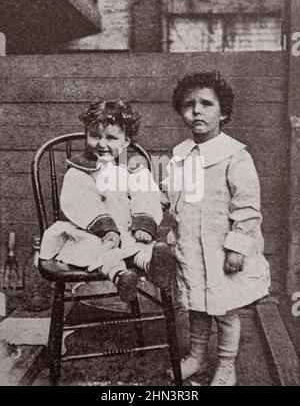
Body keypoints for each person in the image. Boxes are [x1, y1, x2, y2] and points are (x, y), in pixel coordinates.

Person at [164, 72, 270, 386]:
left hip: (223, 252)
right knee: (196, 305)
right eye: (189, 105)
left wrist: (236, 248)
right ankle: (197, 356)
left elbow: (248, 207)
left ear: (222, 112)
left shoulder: (235, 156)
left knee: (224, 311)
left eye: (206, 103)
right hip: (192, 250)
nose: (196, 110)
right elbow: (169, 194)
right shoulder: (180, 156)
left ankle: (226, 364)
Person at [39, 99, 174, 303]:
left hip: (127, 229)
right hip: (89, 231)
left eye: (111, 138)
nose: (101, 143)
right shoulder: (79, 171)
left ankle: (152, 266)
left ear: (126, 141)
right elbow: (80, 203)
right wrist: (106, 229)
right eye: (94, 136)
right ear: (86, 135)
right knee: (95, 248)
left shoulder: (131, 170)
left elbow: (145, 194)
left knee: (139, 243)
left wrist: (144, 224)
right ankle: (121, 277)